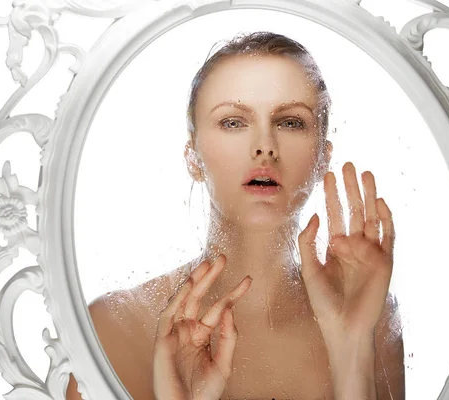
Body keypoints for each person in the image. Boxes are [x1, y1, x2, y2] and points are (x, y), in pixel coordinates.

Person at [66, 31, 405, 400]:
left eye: (290, 122)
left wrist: (352, 348)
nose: (265, 147)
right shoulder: (115, 327)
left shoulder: (371, 316)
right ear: (192, 157)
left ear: (323, 156)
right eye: (233, 122)